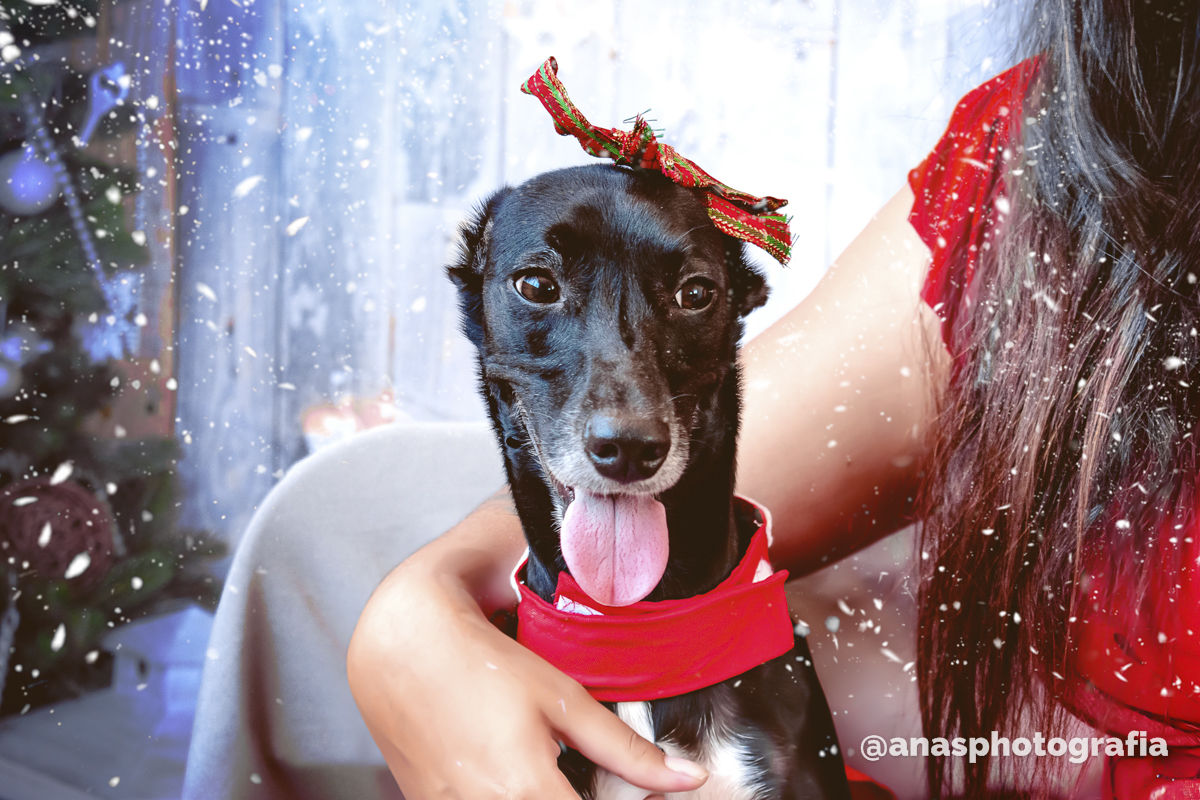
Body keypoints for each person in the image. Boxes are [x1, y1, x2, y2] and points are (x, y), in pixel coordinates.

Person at [347, 1, 1200, 797]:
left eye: (691, 296)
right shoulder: (1069, 169)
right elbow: (646, 471)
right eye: (538, 287)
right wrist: (406, 621)